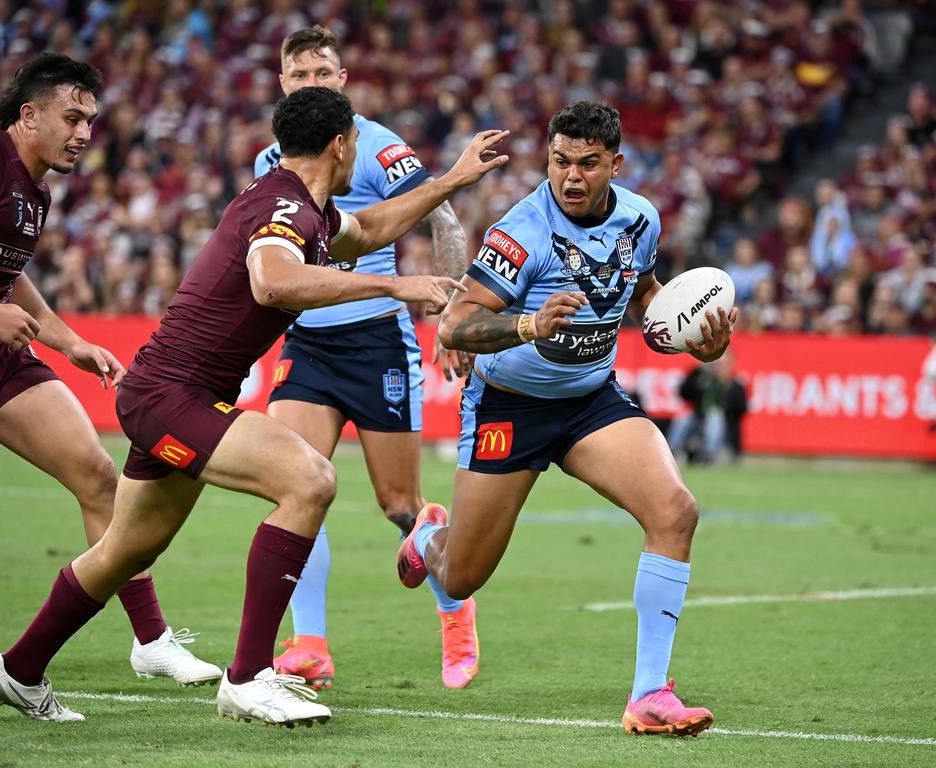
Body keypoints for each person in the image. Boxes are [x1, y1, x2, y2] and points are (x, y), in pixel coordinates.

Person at [0, 86, 508, 726]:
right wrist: (394, 282)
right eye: (354, 146)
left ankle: (18, 668)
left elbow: (368, 227)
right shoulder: (285, 208)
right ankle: (250, 676)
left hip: (168, 394)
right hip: (174, 397)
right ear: (341, 147)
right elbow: (273, 279)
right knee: (309, 478)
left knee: (125, 549)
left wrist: (451, 178)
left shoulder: (304, 205)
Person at [395, 102, 736, 736]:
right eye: (559, 162)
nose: (570, 177)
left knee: (676, 512)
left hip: (589, 401)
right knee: (463, 575)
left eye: (587, 164)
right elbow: (456, 323)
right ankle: (426, 541)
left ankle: (649, 696)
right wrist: (529, 322)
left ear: (615, 164)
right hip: (509, 408)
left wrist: (698, 342)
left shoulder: (640, 219)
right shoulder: (522, 231)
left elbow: (642, 298)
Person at [0, 53, 219, 687]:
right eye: (71, 117)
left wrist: (67, 341)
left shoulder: (37, 187)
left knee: (99, 476)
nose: (84, 132)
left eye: (91, 120)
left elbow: (4, 270)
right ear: (29, 115)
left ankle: (151, 639)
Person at [254, 25, 479, 691]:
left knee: (400, 506)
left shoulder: (379, 145)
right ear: (283, 85)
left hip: (378, 339)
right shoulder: (274, 159)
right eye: (301, 76)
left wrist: (453, 314)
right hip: (308, 344)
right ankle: (310, 645)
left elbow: (443, 220)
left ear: (343, 79)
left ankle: (454, 606)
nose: (313, 83)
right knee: (296, 486)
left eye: (324, 72)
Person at [666, 353, 748, 464]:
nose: (719, 368)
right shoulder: (705, 381)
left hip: (724, 427)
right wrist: (697, 372)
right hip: (700, 420)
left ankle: (709, 455)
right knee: (683, 417)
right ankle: (671, 452)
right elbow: (683, 393)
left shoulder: (735, 386)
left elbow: (740, 411)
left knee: (715, 415)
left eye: (722, 365)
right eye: (717, 365)